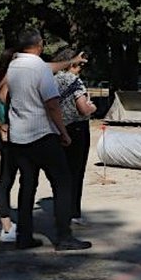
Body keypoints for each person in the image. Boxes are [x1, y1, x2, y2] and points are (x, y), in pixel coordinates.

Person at [6, 28, 92, 250]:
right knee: (63, 183)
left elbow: (50, 67)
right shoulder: (39, 69)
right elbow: (52, 105)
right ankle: (63, 236)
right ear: (39, 45)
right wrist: (63, 132)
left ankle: (23, 236)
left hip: (19, 136)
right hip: (42, 134)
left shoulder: (14, 66)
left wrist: (71, 60)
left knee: (27, 185)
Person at [53, 48, 97, 226]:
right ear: (73, 64)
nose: (81, 69)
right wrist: (92, 107)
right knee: (76, 172)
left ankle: (59, 210)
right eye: (80, 65)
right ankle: (73, 212)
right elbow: (82, 108)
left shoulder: (52, 80)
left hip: (57, 128)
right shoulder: (74, 81)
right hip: (77, 129)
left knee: (60, 173)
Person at [0, 48, 19, 242]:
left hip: (15, 135)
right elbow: (3, 112)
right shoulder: (7, 83)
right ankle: (6, 225)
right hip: (9, 137)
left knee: (11, 178)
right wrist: (4, 131)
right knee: (6, 179)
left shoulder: (10, 80)